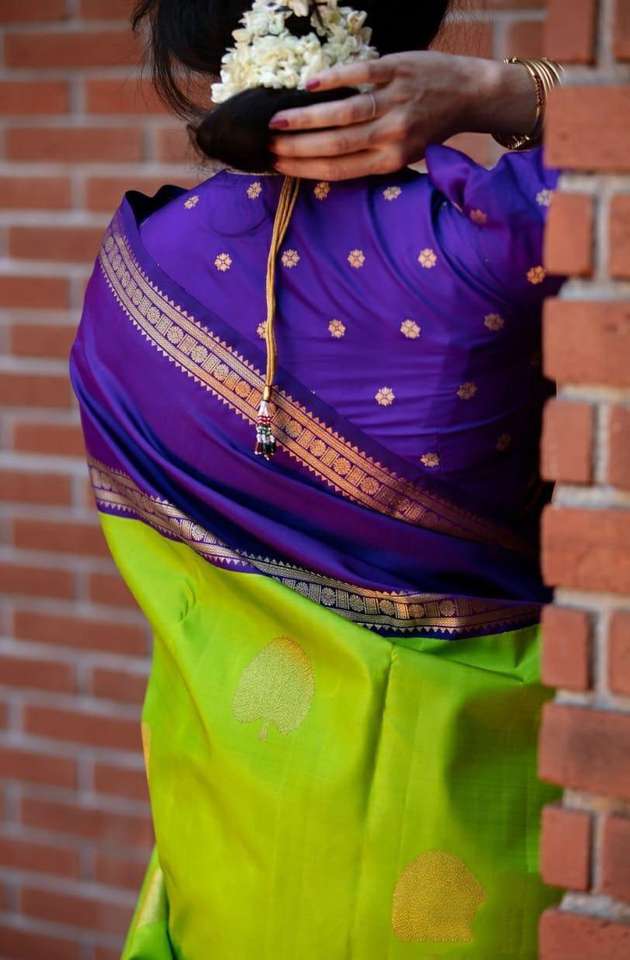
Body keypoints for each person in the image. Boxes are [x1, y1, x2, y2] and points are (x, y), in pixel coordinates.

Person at [69, 1, 566, 957]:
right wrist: (502, 92)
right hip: (482, 844)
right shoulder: (493, 244)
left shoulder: (131, 280)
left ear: (199, 46)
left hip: (239, 849)